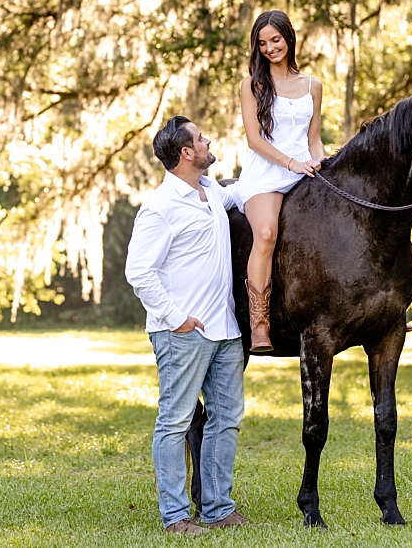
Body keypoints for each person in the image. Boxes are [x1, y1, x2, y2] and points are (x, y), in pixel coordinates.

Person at [124, 116, 249, 535]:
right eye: (201, 138)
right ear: (186, 153)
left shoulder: (211, 191)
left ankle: (217, 508)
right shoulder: (160, 208)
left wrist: (304, 163)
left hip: (225, 331)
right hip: (183, 334)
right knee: (175, 423)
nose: (208, 140)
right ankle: (176, 516)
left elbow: (246, 191)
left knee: (226, 418)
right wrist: (176, 319)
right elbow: (139, 271)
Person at [230, 10, 323, 352]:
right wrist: (291, 163)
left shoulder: (313, 85)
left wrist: (320, 160)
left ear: (289, 38)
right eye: (263, 43)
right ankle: (259, 324)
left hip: (304, 170)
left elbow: (314, 138)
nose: (270, 48)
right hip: (267, 174)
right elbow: (254, 140)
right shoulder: (252, 85)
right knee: (266, 233)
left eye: (276, 40)